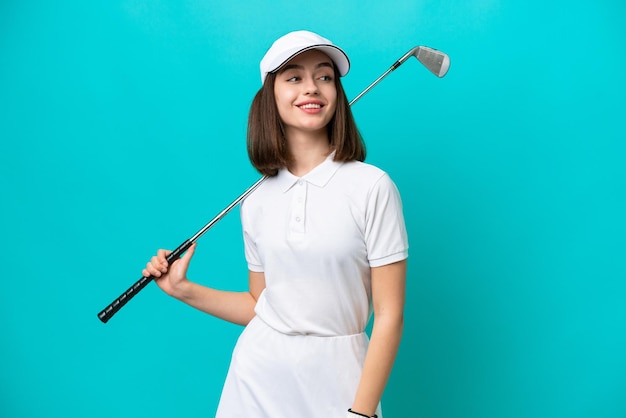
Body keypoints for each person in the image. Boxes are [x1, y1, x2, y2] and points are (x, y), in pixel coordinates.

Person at [143, 30, 409, 418]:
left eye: (324, 76)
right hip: (257, 377)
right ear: (271, 96)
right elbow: (261, 306)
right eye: (294, 77)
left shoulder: (372, 187)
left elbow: (389, 315)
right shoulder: (256, 200)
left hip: (339, 378)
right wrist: (183, 289)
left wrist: (362, 412)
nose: (312, 88)